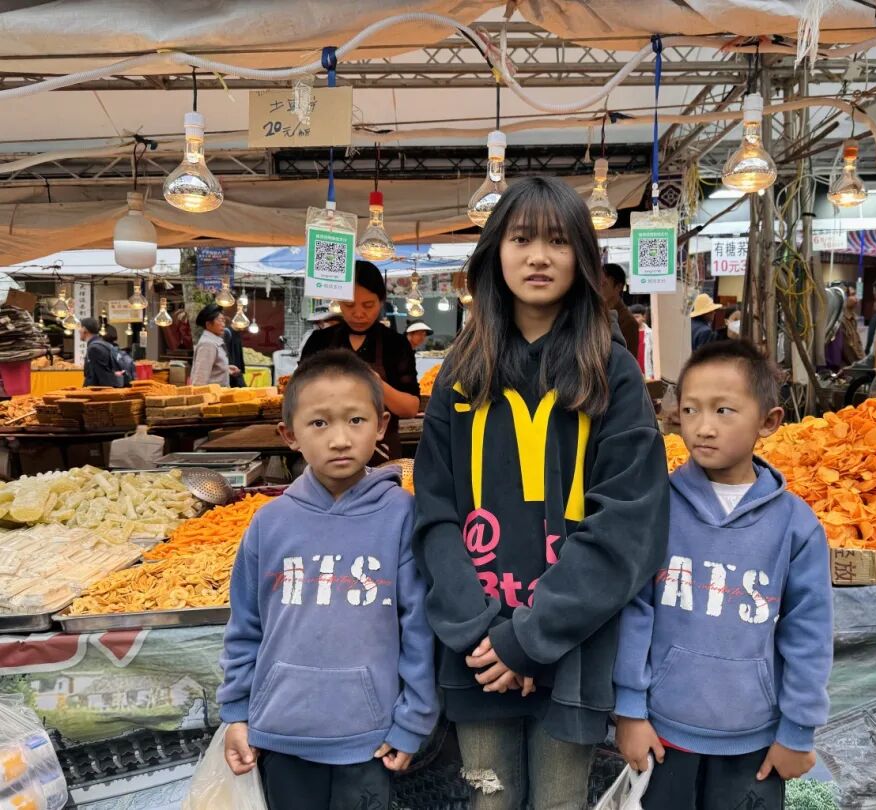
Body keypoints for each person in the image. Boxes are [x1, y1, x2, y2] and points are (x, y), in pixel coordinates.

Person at [412, 176, 669, 810]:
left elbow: (628, 522)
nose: (538, 257)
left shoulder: (612, 373)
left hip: (573, 647)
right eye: (521, 239)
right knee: (490, 800)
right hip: (476, 650)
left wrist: (529, 638)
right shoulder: (460, 374)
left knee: (560, 803)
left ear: (583, 257)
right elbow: (435, 511)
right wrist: (483, 632)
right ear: (495, 253)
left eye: (558, 241)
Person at [614, 340, 833, 810]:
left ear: (769, 422)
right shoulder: (657, 508)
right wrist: (629, 710)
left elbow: (809, 633)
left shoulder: (795, 525)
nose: (704, 427)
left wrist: (797, 731)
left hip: (754, 741)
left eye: (724, 410)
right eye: (690, 410)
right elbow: (635, 609)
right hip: (663, 733)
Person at [218, 350, 438, 810]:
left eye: (356, 421)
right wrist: (237, 713)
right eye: (319, 423)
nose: (340, 439)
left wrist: (414, 718)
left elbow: (418, 628)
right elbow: (245, 627)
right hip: (280, 733)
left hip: (369, 737)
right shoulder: (269, 523)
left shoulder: (401, 515)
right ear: (289, 435)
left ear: (380, 426)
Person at [302, 261, 421, 462]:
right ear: (338, 301)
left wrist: (376, 383)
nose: (358, 313)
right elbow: (297, 397)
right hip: (325, 448)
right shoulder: (319, 341)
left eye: (368, 305)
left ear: (381, 302)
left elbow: (410, 408)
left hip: (382, 452)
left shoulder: (396, 344)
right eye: (349, 305)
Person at [191, 304, 238, 387]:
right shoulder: (207, 344)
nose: (223, 324)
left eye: (224, 321)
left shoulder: (214, 341)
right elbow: (200, 379)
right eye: (220, 320)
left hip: (220, 393)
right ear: (208, 324)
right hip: (212, 394)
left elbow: (210, 368)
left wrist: (224, 368)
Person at [600, 262, 640, 354]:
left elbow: (629, 358)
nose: (598, 288)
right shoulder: (596, 314)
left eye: (603, 284)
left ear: (618, 287)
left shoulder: (628, 322)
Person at [79, 318, 122, 388]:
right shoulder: (104, 344)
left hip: (96, 392)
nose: (79, 330)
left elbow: (102, 377)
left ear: (84, 329)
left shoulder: (94, 348)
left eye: (80, 327)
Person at [839, 287, 864, 366]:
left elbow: (857, 344)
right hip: (848, 366)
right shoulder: (841, 320)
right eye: (853, 295)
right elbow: (847, 350)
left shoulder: (853, 319)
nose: (856, 298)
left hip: (857, 364)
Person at [630, 304, 655, 379]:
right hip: (634, 372)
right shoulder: (628, 333)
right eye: (632, 317)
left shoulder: (650, 333)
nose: (634, 319)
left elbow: (653, 355)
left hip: (648, 373)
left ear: (644, 317)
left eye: (637, 317)